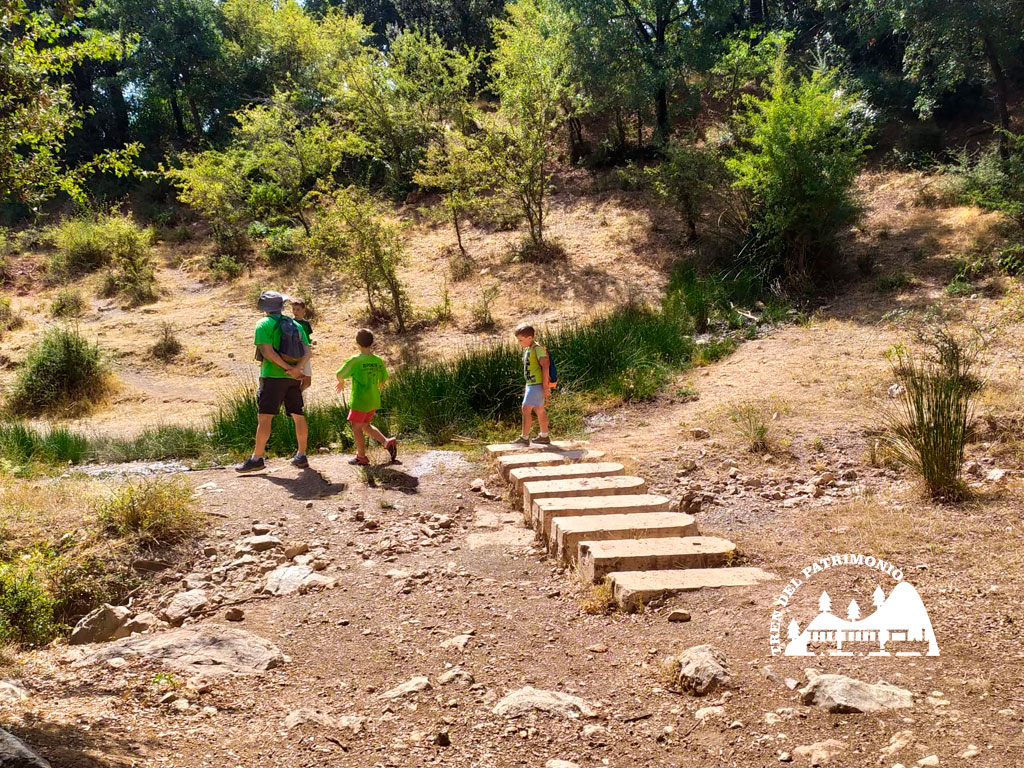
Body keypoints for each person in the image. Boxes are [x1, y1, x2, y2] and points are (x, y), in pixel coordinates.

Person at [236, 291, 312, 473]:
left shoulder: (263, 324)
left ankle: (257, 459)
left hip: (271, 377)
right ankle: (301, 455)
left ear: (265, 307)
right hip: (293, 378)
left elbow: (268, 353)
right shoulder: (295, 324)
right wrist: (295, 369)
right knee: (298, 415)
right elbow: (308, 351)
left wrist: (286, 368)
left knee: (265, 417)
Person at [336, 328, 397, 466]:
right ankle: (387, 442)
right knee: (365, 425)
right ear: (372, 342)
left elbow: (340, 374)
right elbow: (384, 378)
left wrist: (341, 382)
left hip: (360, 400)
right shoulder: (378, 360)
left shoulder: (355, 360)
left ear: (357, 343)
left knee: (356, 427)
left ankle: (361, 457)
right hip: (373, 399)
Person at [511, 323, 551, 446]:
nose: (519, 343)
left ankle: (524, 438)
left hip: (536, 384)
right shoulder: (529, 349)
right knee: (539, 409)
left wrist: (545, 386)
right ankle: (544, 436)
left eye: (521, 340)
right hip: (531, 384)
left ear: (529, 338)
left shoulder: (537, 349)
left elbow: (545, 366)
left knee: (525, 408)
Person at [290, 298, 313, 391]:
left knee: (307, 381)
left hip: (306, 353)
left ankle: (299, 394)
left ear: (304, 310)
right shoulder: (290, 323)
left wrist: (311, 342)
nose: (295, 312)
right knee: (297, 378)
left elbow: (307, 337)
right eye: (294, 309)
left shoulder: (306, 323)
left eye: (298, 309)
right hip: (296, 353)